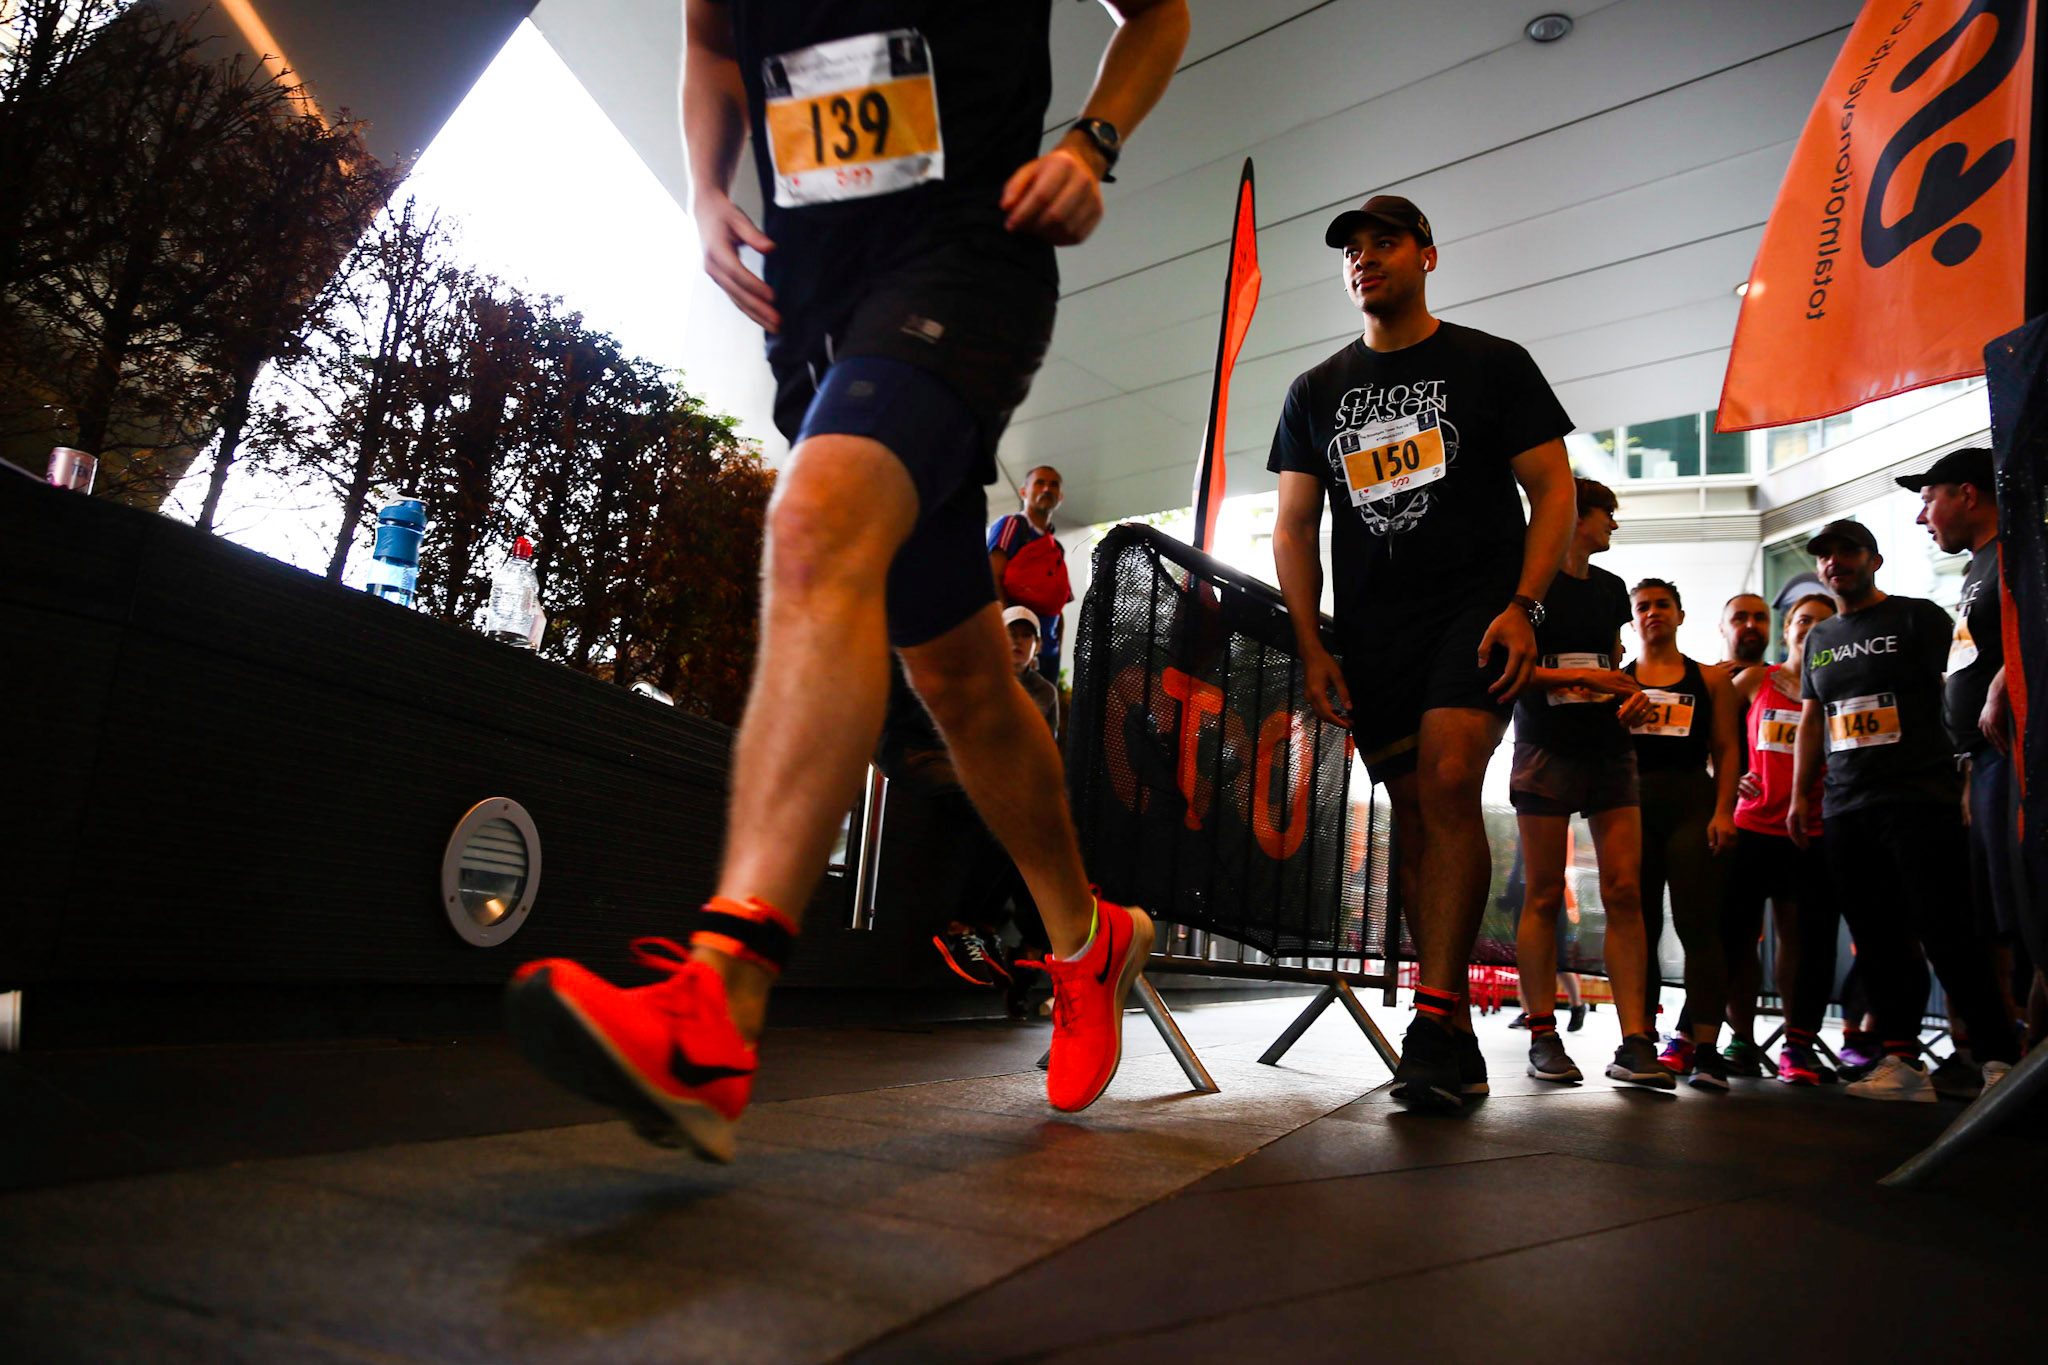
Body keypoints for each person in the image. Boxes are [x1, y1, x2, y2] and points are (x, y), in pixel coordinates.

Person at [503, 0, 1192, 1161]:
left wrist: (1092, 140)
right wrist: (703, 189)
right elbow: (711, 46)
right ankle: (1086, 941)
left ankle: (719, 1000)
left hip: (970, 256)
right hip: (814, 302)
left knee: (814, 526)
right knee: (961, 678)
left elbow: (1159, 11)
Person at [1269, 194, 1577, 1111]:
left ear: (1428, 257)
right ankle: (1450, 1030)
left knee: (1448, 778)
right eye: (1352, 251)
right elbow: (1293, 524)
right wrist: (1309, 637)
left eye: (1386, 242)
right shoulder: (1315, 390)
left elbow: (1552, 491)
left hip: (1476, 611)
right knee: (1413, 809)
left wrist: (1526, 604)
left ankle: (1433, 1018)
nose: (1366, 259)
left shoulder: (1493, 363)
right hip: (1373, 631)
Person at [1789, 518, 2021, 1101]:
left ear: (1874, 560)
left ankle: (1997, 1056)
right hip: (1846, 808)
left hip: (1919, 799)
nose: (1834, 563)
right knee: (1878, 938)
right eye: (1825, 556)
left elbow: (1961, 682)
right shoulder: (1819, 638)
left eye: (1847, 552)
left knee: (1948, 931)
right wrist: (1799, 795)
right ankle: (1900, 1061)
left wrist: (1967, 773)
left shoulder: (1917, 616)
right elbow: (1813, 719)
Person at [1506, 478, 1671, 1088]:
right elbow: (1507, 670)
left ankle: (1635, 1042)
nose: (1613, 527)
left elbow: (1608, 663)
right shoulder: (1527, 584)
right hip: (1545, 750)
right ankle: (1543, 1034)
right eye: (1607, 515)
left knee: (1626, 891)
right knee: (1544, 894)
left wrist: (1629, 699)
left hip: (1608, 750)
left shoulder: (1608, 591)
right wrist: (1588, 684)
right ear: (1576, 515)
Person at [1904, 447, 2026, 1093]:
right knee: (1992, 922)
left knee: (2024, 914)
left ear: (1968, 494)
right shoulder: (1979, 567)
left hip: (2012, 759)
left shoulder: (2020, 551)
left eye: (1929, 498)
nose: (1924, 516)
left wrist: (2008, 677)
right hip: (1979, 765)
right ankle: (2001, 1059)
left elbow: (2035, 622)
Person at [1624, 578, 1742, 1090]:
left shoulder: (1710, 679)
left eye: (1662, 605)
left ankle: (1707, 1046)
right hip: (1633, 807)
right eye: (1644, 606)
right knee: (1640, 927)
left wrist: (1725, 811)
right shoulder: (1620, 679)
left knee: (1699, 925)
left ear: (1680, 614)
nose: (1654, 613)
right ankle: (1641, 1041)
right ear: (1633, 619)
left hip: (1693, 803)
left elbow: (1728, 748)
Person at [1724, 593, 1841, 1084]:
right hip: (1752, 827)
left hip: (1811, 830)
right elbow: (1713, 734)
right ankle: (1740, 1041)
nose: (1811, 629)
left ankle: (1797, 1044)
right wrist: (1721, 776)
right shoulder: (1756, 679)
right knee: (1737, 939)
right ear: (1787, 628)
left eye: (1822, 623)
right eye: (1802, 620)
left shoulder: (1839, 688)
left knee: (1800, 940)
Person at [989, 466, 1071, 681]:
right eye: (1040, 483)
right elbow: (992, 577)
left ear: (1060, 497)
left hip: (1047, 653)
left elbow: (1059, 604)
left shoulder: (1057, 549)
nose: (1047, 488)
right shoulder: (1011, 526)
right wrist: (1007, 634)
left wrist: (1057, 649)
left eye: (1054, 485)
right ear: (1024, 492)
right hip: (1014, 647)